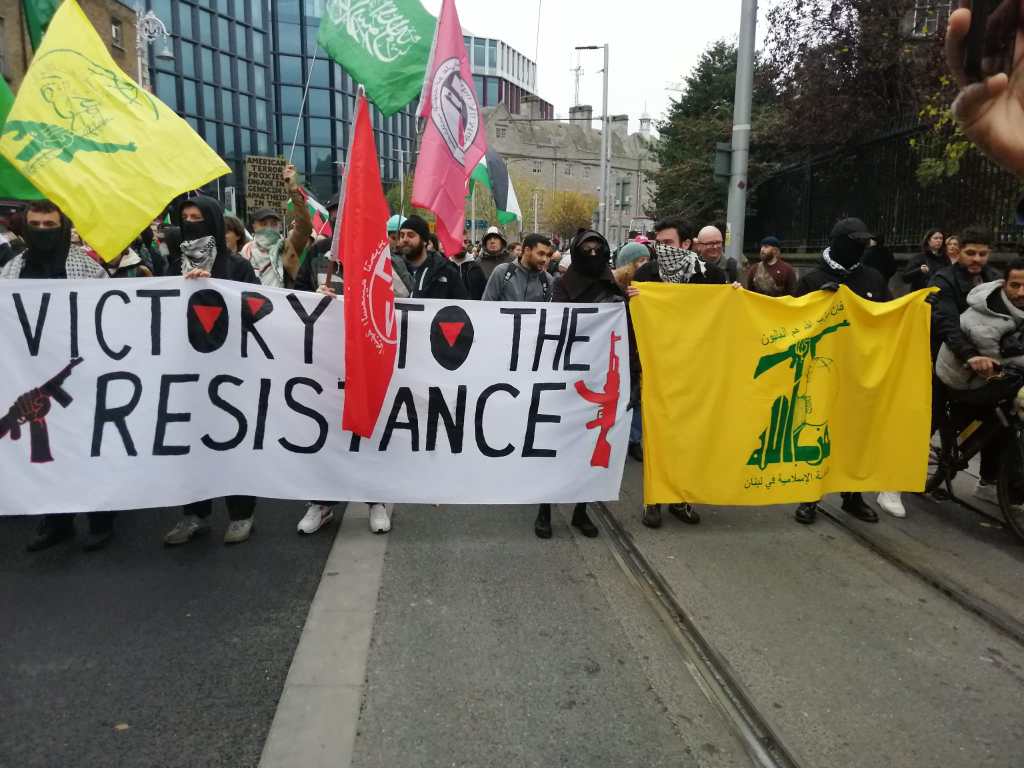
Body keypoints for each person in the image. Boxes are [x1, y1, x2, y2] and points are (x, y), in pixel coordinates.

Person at [1, 200, 117, 552]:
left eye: (49, 225)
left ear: (62, 227)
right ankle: (57, 520)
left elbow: (111, 318)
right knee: (47, 453)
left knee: (90, 449)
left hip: (81, 376)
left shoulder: (87, 269)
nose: (41, 231)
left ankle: (100, 520)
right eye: (35, 225)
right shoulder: (10, 272)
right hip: (30, 375)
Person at [163, 195, 261, 546]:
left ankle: (241, 512)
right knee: (190, 445)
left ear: (215, 222)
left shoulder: (236, 267)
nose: (191, 224)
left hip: (230, 371)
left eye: (198, 218)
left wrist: (214, 291)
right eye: (186, 219)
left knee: (232, 440)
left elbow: (257, 310)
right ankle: (194, 513)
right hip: (186, 370)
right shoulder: (171, 267)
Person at [792, 218, 891, 525]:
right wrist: (817, 303)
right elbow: (792, 324)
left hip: (861, 372)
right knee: (818, 432)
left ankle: (853, 495)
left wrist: (917, 308)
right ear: (837, 242)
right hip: (821, 371)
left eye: (864, 243)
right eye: (854, 243)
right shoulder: (812, 279)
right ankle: (810, 495)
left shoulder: (873, 278)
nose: (860, 249)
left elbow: (889, 317)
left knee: (857, 435)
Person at [534, 229, 633, 540]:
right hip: (566, 381)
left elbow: (626, 335)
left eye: (596, 250)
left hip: (601, 379)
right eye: (586, 250)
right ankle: (544, 509)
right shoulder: (562, 286)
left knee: (591, 450)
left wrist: (629, 303)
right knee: (556, 449)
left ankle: (581, 510)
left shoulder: (615, 288)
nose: (592, 255)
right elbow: (556, 327)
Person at [634, 217, 726, 527]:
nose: (661, 248)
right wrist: (630, 300)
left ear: (686, 244)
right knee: (657, 434)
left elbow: (723, 318)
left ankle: (681, 498)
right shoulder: (646, 274)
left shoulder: (711, 276)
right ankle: (654, 499)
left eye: (668, 243)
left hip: (695, 369)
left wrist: (734, 296)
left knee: (689, 436)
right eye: (658, 243)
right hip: (657, 368)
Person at [935, 258, 1024, 504]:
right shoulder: (987, 316)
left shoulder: (1016, 307)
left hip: (994, 374)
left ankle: (989, 480)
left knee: (1004, 421)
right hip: (963, 377)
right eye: (1015, 285)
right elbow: (996, 361)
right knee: (1003, 417)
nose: (1021, 293)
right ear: (1004, 284)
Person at [240, 164, 311, 289]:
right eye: (263, 224)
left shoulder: (287, 248)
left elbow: (304, 227)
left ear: (280, 226)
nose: (269, 228)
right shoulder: (243, 253)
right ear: (254, 226)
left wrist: (294, 190)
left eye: (273, 223)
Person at [613, 241, 651, 463]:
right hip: (619, 350)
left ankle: (634, 440)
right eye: (640, 261)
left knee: (636, 397)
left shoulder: (650, 285)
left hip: (639, 351)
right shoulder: (613, 288)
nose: (645, 265)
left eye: (647, 260)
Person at [397, 215, 468, 300]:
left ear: (424, 241)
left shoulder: (445, 271)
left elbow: (463, 304)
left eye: (411, 235)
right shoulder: (394, 270)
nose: (405, 239)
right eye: (402, 236)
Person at [481, 233, 554, 302]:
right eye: (541, 254)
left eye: (547, 255)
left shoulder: (547, 279)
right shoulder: (502, 272)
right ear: (527, 250)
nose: (544, 259)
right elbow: (486, 304)